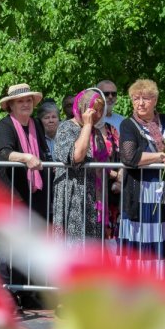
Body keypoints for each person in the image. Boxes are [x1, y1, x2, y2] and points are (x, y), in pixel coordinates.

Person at [118, 79, 165, 274]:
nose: (140, 103)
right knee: (146, 241)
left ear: (155, 100)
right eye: (136, 98)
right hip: (142, 193)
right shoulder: (128, 125)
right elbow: (129, 157)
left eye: (146, 98)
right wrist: (160, 156)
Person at [51, 88, 119, 249]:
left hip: (93, 200)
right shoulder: (66, 128)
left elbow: (102, 165)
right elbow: (76, 156)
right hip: (73, 196)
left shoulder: (96, 132)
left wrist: (119, 175)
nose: (96, 115)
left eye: (100, 111)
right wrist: (87, 125)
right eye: (93, 110)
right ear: (82, 107)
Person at [0, 83, 50, 216]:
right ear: (11, 105)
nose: (26, 104)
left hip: (37, 194)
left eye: (29, 100)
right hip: (12, 195)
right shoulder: (4, 126)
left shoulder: (37, 124)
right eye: (20, 101)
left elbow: (44, 151)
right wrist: (27, 157)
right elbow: (5, 153)